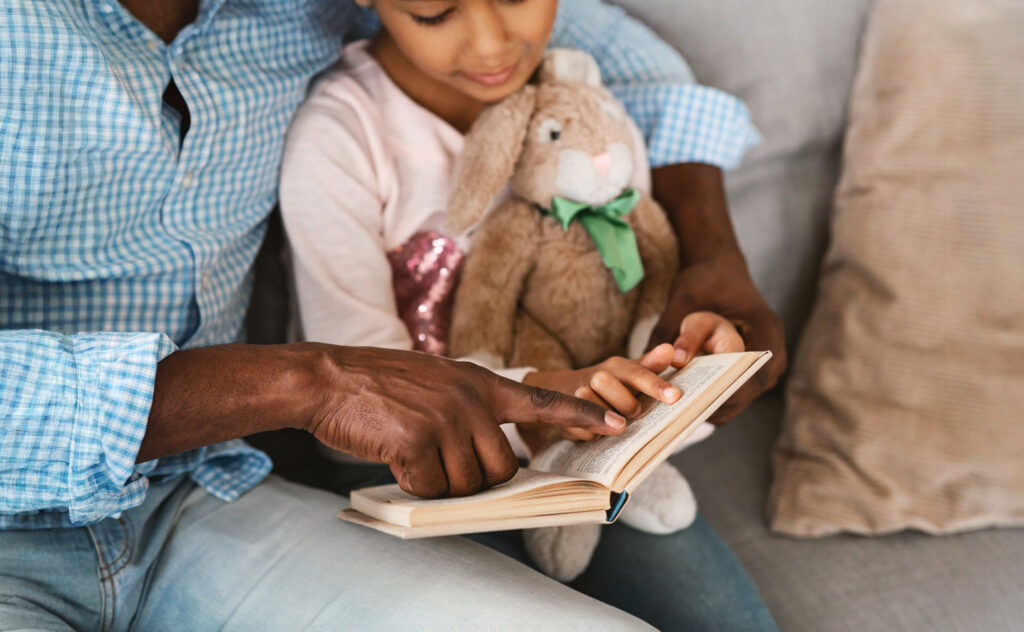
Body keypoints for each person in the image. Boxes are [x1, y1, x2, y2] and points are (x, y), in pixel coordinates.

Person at [0, 0, 784, 629]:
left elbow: (639, 67)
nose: (482, 35)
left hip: (204, 494)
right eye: (436, 12)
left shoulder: (291, 11)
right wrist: (307, 382)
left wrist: (713, 257)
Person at [277, 1, 777, 629]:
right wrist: (540, 397)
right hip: (413, 480)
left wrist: (687, 351)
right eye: (434, 13)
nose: (490, 46)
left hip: (589, 466)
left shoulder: (589, 110)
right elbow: (355, 377)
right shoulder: (341, 137)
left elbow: (635, 289)